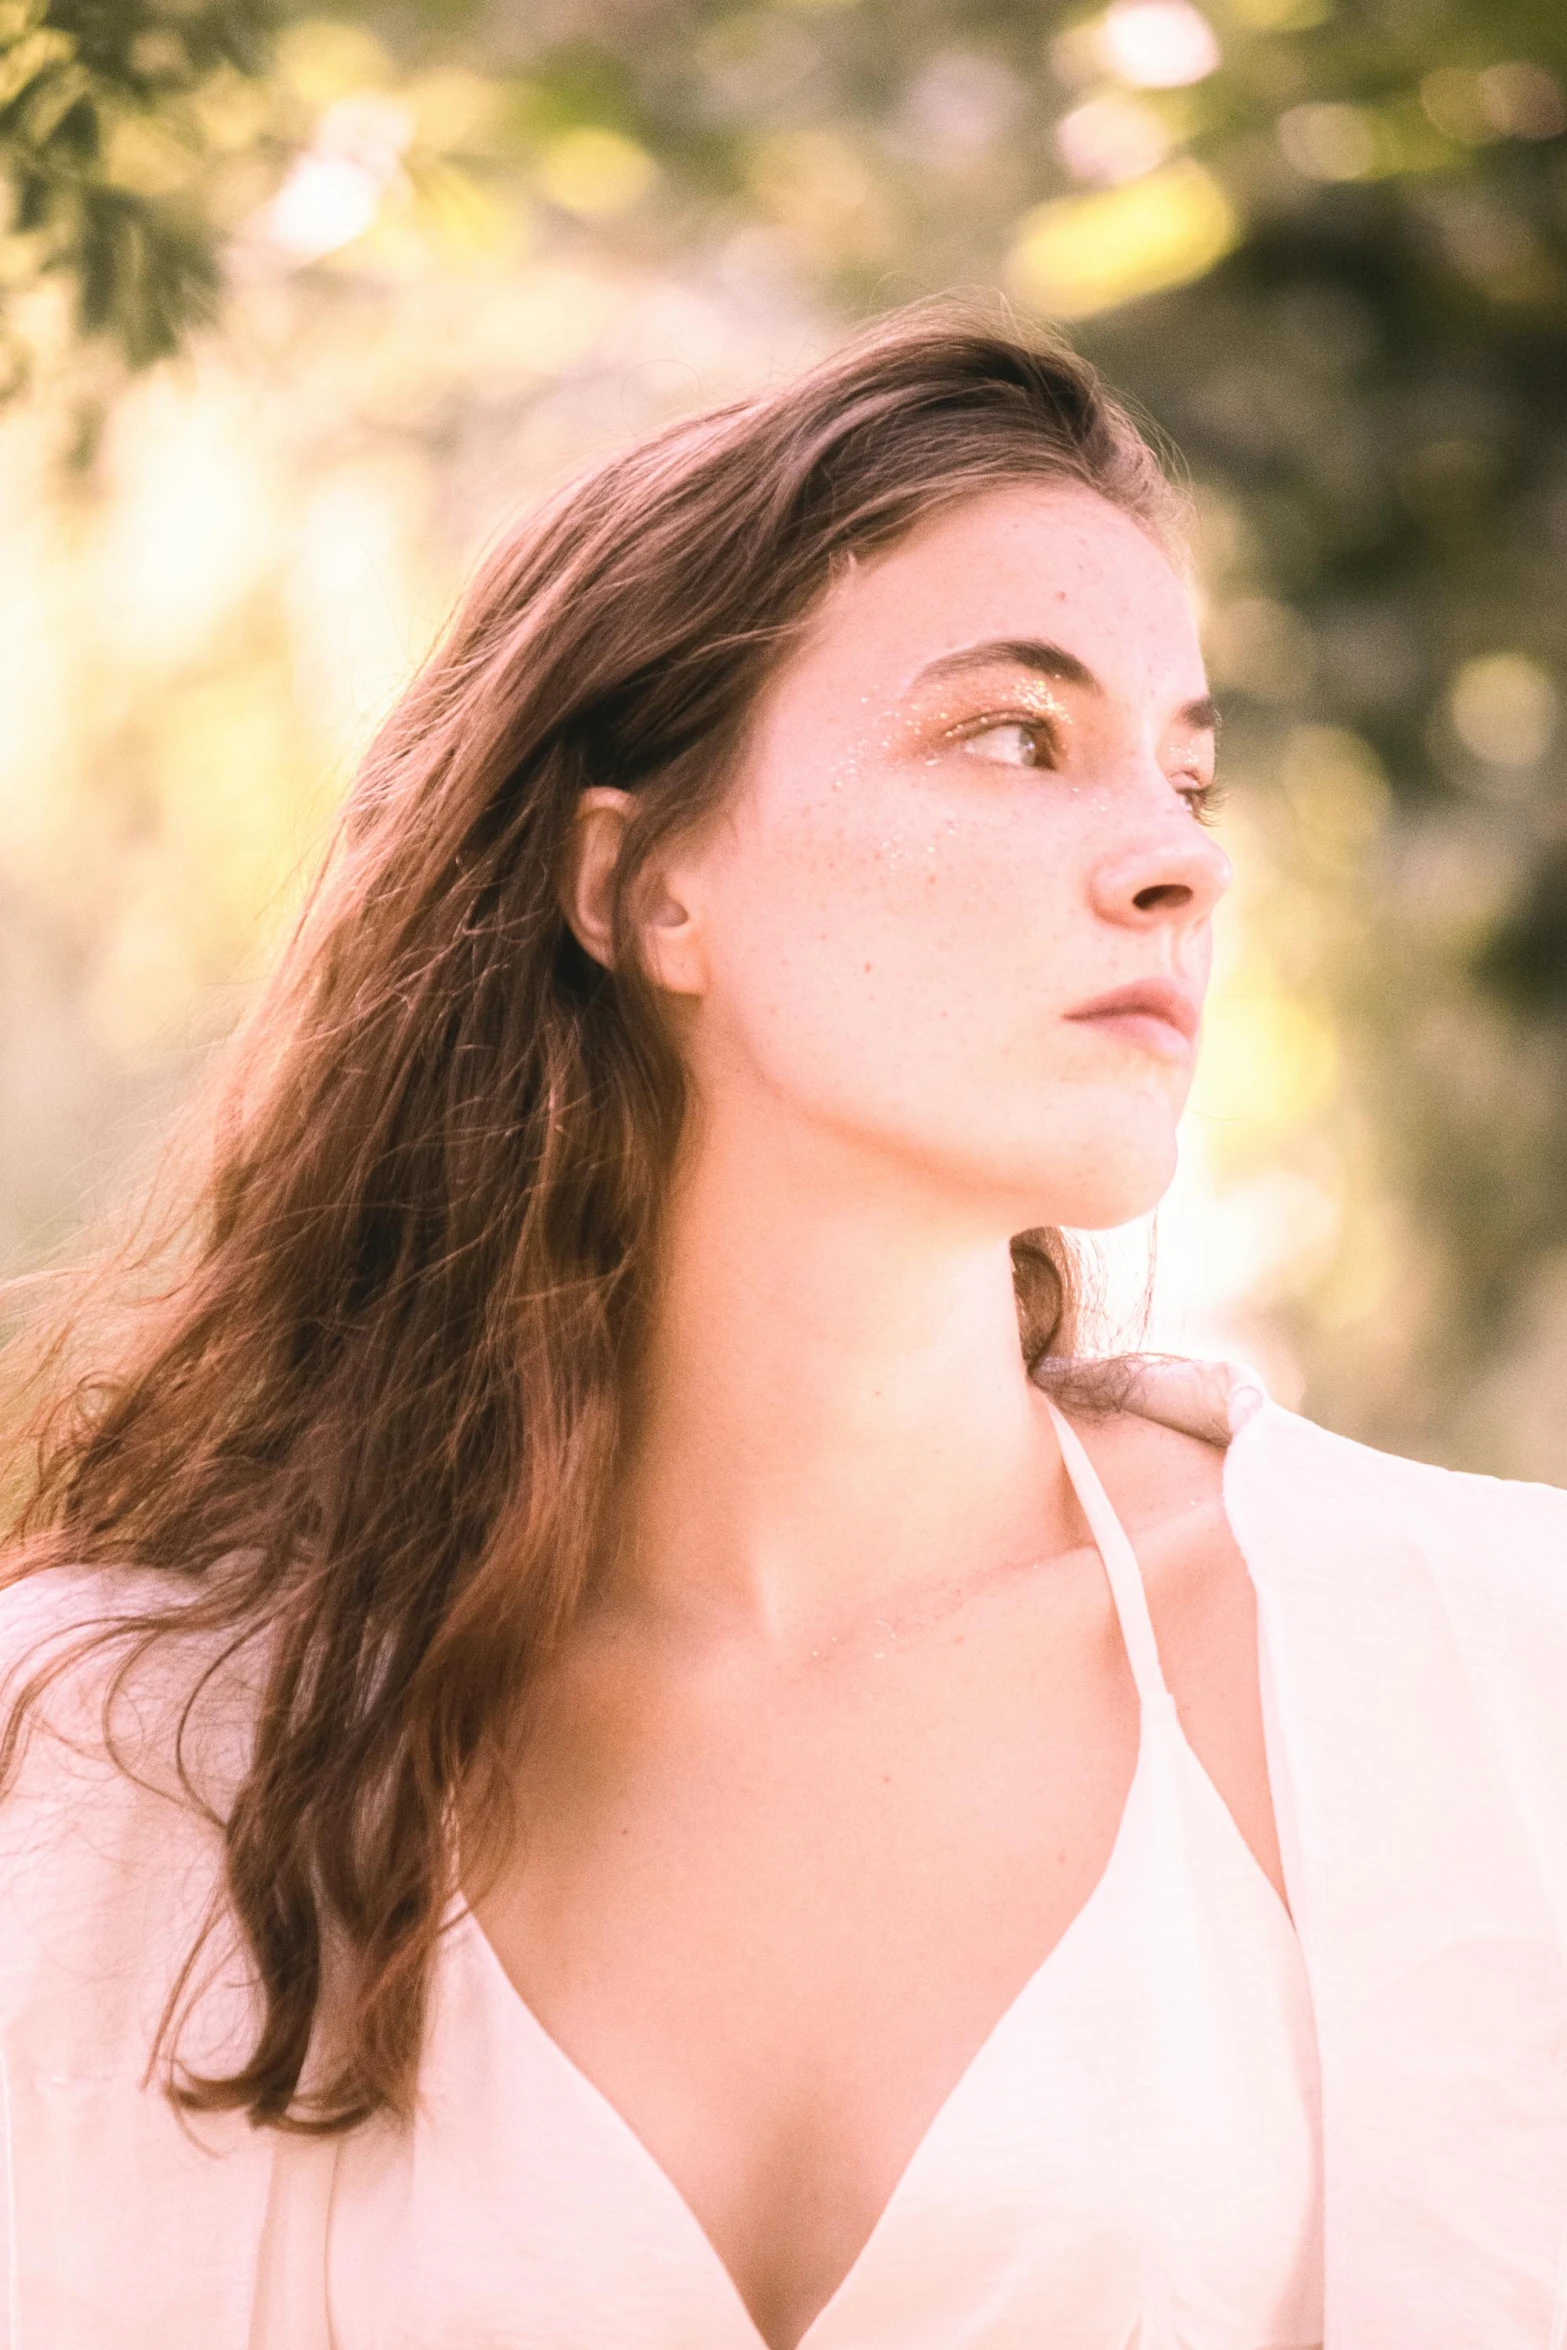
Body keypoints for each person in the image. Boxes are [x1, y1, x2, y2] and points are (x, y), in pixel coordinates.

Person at [1, 308, 1565, 2350]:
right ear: (642, 884)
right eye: (1017, 735)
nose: (1177, 854)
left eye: (1190, 771)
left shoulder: (1486, 1661)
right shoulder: (120, 1761)